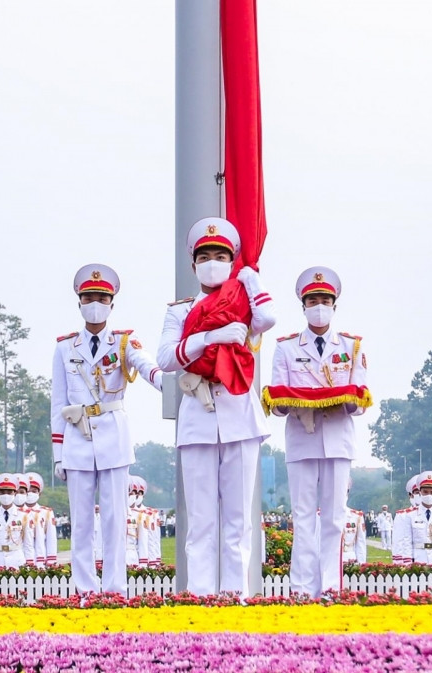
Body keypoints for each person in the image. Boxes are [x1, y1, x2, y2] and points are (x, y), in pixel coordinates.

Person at [156, 217, 277, 595]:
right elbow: (165, 358)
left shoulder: (243, 304)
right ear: (193, 265)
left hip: (239, 417)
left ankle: (235, 595)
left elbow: (268, 318)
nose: (212, 261)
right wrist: (210, 336)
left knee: (239, 519)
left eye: (221, 255)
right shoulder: (180, 310)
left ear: (232, 261)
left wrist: (251, 278)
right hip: (198, 415)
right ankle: (202, 595)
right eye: (205, 255)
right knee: (202, 519)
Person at [52, 263, 163, 594]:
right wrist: (58, 453)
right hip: (77, 438)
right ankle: (85, 589)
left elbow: (146, 367)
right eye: (89, 297)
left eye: (101, 297)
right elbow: (57, 403)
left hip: (114, 435)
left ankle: (115, 588)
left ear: (112, 303)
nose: (95, 302)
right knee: (82, 521)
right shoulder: (64, 347)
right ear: (79, 302)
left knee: (116, 519)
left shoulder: (124, 343)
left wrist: (168, 385)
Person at [264, 266, 369, 597]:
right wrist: (294, 403)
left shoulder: (351, 346)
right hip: (302, 438)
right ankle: (301, 589)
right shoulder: (286, 347)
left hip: (338, 439)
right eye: (313, 300)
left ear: (334, 305)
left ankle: (330, 587)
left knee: (335, 519)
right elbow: (277, 400)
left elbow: (362, 399)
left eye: (324, 299)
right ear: (303, 306)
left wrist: (343, 402)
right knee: (303, 517)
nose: (319, 305)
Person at [0, 473, 29, 569]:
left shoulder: (23, 516)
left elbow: (28, 543)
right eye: (2, 492)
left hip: (17, 559)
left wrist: (29, 564)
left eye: (9, 492)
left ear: (15, 493)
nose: (6, 495)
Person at [24, 472, 58, 566]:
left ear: (40, 493)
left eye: (34, 491)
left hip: (39, 555)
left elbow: (51, 538)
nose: (30, 494)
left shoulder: (46, 512)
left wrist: (51, 560)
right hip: (21, 555)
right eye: (27, 491)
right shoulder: (17, 512)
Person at [125, 476, 155, 568]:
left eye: (134, 493)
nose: (132, 495)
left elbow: (143, 541)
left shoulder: (139, 515)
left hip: (131, 558)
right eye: (130, 493)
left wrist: (143, 563)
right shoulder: (113, 514)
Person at [391, 475, 421, 565]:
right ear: (411, 495)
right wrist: (399, 563)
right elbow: (398, 541)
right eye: (417, 492)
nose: (420, 495)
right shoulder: (402, 515)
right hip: (409, 558)